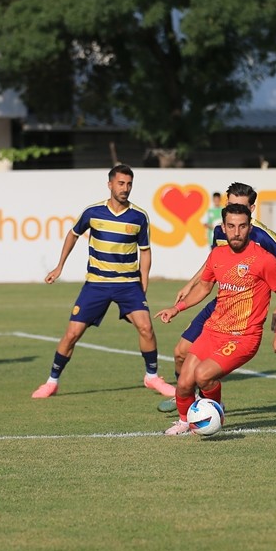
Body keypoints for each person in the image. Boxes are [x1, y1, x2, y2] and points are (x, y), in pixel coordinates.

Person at [31, 164, 176, 399]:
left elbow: (145, 252)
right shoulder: (93, 212)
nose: (125, 188)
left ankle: (152, 377)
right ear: (110, 184)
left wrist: (143, 284)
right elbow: (73, 234)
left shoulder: (139, 216)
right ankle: (51, 381)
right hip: (96, 284)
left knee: (146, 327)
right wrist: (60, 266)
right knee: (72, 333)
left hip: (128, 284)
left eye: (129, 184)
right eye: (121, 183)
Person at [157, 181, 276, 413]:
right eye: (230, 205)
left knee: (204, 370)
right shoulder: (220, 230)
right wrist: (190, 284)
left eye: (240, 207)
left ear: (251, 210)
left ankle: (204, 404)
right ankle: (187, 395)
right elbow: (214, 261)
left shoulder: (262, 237)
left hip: (244, 312)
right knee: (180, 352)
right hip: (219, 303)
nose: (234, 212)